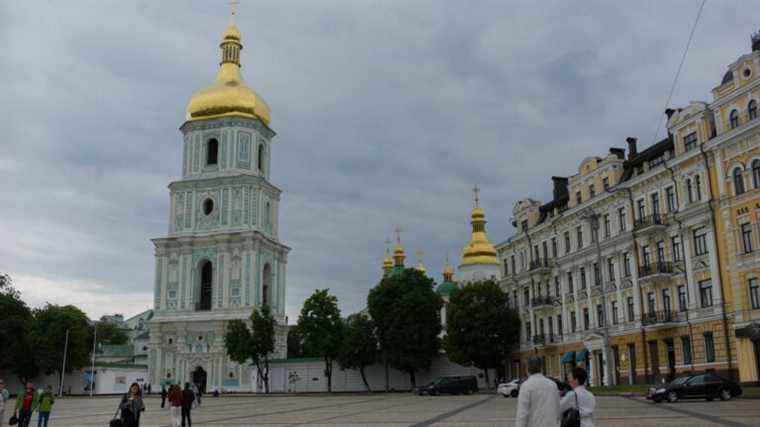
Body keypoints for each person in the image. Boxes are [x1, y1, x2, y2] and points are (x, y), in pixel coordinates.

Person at [515, 357, 560, 427]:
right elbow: (557, 408)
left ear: (527, 369)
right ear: (541, 368)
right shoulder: (553, 385)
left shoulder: (526, 386)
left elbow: (522, 414)